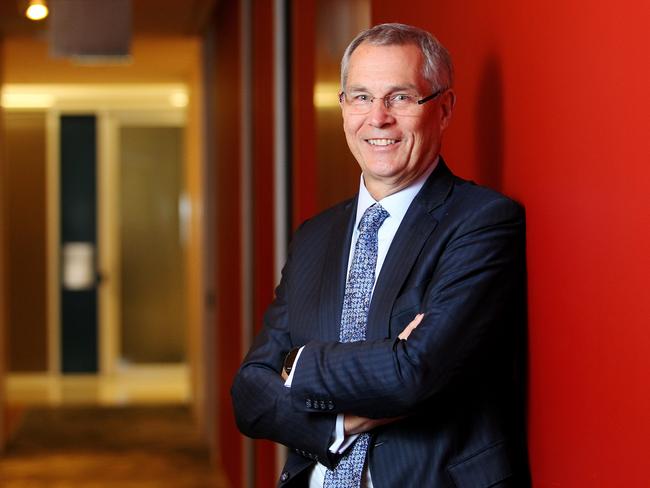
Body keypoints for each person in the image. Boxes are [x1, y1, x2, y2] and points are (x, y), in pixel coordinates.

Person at [231, 23, 530, 487]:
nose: (378, 118)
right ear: (344, 108)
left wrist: (297, 364)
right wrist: (342, 422)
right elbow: (249, 393)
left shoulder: (484, 221)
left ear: (444, 109)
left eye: (401, 97)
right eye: (361, 97)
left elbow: (412, 373)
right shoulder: (314, 235)